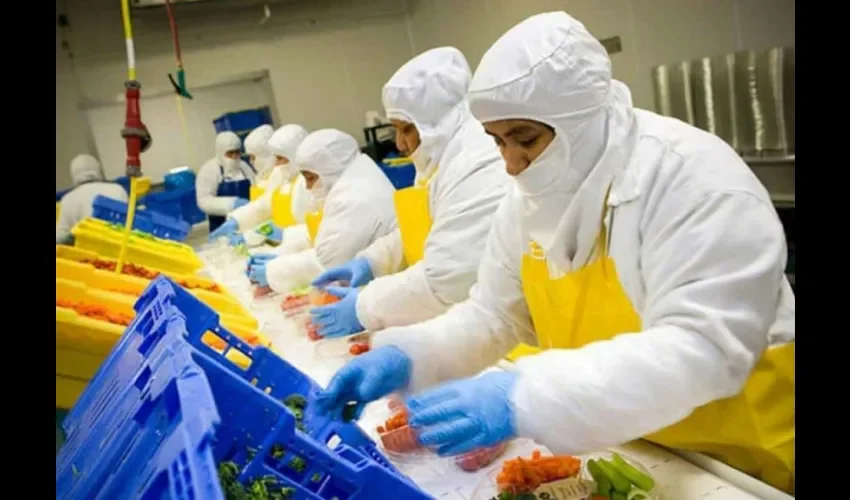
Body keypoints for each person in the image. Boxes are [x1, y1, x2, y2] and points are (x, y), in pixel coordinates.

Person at [317, 11, 795, 493]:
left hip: (742, 465)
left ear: (580, 120)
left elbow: (700, 350)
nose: (509, 162)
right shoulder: (526, 201)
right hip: (643, 447)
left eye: (524, 139)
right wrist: (408, 354)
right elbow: (494, 316)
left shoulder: (692, 180)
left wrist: (524, 397)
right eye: (497, 141)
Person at [309, 47, 510, 339]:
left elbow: (447, 278)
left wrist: (365, 307)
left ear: (437, 122)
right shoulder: (441, 156)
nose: (400, 145)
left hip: (489, 331)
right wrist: (372, 261)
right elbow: (424, 227)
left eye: (407, 129)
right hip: (454, 320)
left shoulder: (476, 162)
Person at [248, 129, 398, 294]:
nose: (308, 187)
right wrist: (282, 252)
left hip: (383, 287)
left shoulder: (353, 196)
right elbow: (327, 234)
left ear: (329, 169)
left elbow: (327, 262)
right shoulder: (354, 177)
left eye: (311, 178)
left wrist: (273, 271)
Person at [208, 124, 309, 246]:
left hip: (298, 247)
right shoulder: (282, 174)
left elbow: (314, 231)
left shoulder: (307, 183)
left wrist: (283, 236)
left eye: (281, 158)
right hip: (283, 245)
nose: (276, 164)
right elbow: (264, 205)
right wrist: (237, 220)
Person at [56, 154, 129, 244]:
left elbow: (60, 237)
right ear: (99, 170)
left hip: (87, 253)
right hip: (119, 246)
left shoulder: (68, 199)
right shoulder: (118, 189)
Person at [195, 131, 255, 233]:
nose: (234, 157)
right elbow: (203, 201)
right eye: (230, 153)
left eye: (237, 152)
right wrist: (231, 204)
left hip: (248, 222)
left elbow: (255, 186)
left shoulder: (244, 167)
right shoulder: (209, 170)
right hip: (221, 226)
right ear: (221, 152)